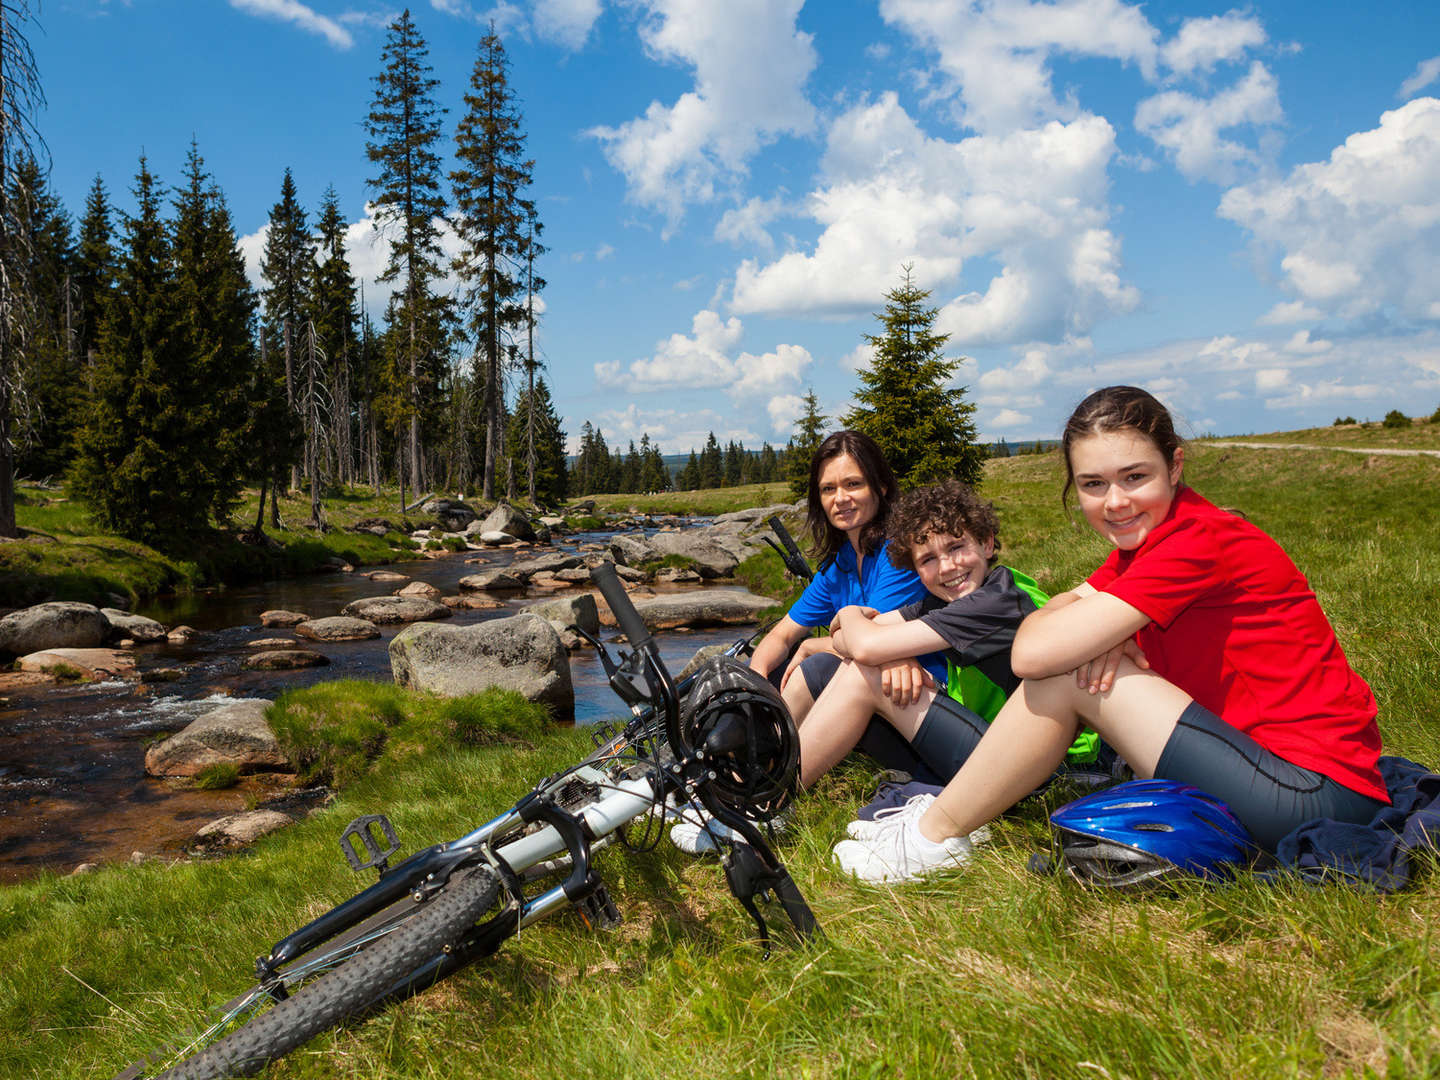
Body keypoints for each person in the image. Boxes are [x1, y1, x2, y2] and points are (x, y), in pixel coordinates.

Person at [832, 385, 1390, 884]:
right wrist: (1098, 631)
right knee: (1073, 664)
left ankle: (934, 838)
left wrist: (1093, 637)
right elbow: (1054, 617)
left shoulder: (1198, 540)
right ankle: (943, 825)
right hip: (1256, 762)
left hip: (1315, 792)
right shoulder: (1144, 550)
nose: (1115, 502)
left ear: (1174, 466)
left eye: (1134, 477)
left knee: (1069, 677)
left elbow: (1031, 651)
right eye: (1093, 484)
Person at [671, 429, 935, 854]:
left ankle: (766, 803)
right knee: (768, 664)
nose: (840, 498)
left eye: (853, 484)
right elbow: (782, 633)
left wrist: (815, 646)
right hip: (882, 702)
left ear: (881, 487)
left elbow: (872, 644)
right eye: (828, 489)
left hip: (916, 706)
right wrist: (753, 690)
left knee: (816, 665)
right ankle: (737, 782)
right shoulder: (842, 563)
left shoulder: (898, 555)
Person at [796, 479, 1096, 790]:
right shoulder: (940, 602)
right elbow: (845, 642)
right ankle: (764, 772)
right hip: (1000, 744)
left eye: (956, 547)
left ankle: (771, 803)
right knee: (822, 668)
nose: (947, 567)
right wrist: (877, 643)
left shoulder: (997, 601)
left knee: (865, 675)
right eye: (928, 559)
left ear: (987, 543)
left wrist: (848, 614)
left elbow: (865, 644)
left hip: (1049, 768)